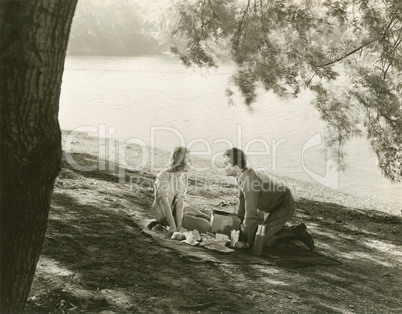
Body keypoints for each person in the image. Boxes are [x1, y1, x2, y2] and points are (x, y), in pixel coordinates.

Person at [222, 147, 314, 250]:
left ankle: (295, 231)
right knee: (254, 231)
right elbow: (242, 204)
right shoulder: (242, 175)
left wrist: (246, 241)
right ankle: (276, 226)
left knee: (260, 240)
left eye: (226, 164)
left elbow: (251, 214)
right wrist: (237, 227)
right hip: (272, 205)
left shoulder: (249, 182)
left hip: (284, 205)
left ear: (236, 167)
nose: (223, 166)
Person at [149, 146, 210, 234]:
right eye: (188, 160)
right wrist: (173, 226)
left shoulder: (183, 176)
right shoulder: (163, 176)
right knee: (205, 225)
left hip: (176, 209)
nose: (191, 163)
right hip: (163, 214)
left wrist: (179, 225)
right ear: (180, 162)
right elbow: (164, 204)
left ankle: (185, 219)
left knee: (206, 217)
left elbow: (180, 203)